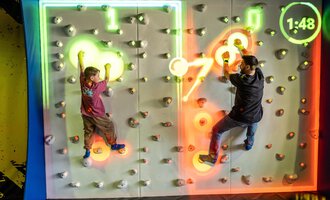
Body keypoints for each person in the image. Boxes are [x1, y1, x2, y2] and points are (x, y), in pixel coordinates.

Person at [199, 39, 264, 164]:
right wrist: (239, 45)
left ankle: (212, 157)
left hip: (240, 117)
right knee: (252, 126)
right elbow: (248, 53)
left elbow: (227, 73)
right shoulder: (259, 74)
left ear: (248, 67)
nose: (240, 64)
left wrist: (226, 59)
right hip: (256, 114)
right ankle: (249, 144)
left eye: (242, 64)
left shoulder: (242, 80)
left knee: (217, 130)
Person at [78, 51, 125, 159]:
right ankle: (113, 144)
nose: (99, 77)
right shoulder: (96, 87)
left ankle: (87, 150)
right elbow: (107, 79)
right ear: (91, 78)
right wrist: (107, 68)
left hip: (85, 113)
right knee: (109, 126)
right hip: (97, 114)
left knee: (88, 131)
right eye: (97, 76)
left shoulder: (83, 81)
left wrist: (80, 57)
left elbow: (81, 68)